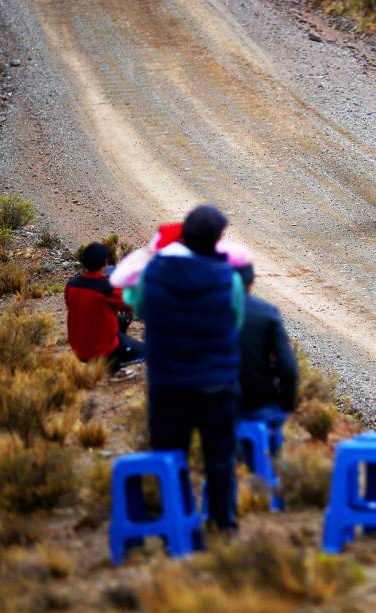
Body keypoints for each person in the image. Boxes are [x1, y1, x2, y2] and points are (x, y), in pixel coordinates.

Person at [125, 204, 245, 533]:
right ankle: (223, 524)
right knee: (219, 458)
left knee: (169, 456)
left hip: (169, 384)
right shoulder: (228, 279)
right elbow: (236, 321)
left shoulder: (155, 273)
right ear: (216, 239)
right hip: (216, 384)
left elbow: (135, 304)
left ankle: (175, 526)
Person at [233, 255, 299, 457]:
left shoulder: (204, 314)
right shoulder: (266, 313)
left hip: (217, 409)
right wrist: (286, 404)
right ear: (251, 282)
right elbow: (288, 370)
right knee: (269, 458)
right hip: (260, 406)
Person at [65, 242, 144, 372]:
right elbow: (131, 305)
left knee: (121, 320)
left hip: (79, 349)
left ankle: (108, 359)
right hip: (101, 351)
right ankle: (113, 366)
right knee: (147, 351)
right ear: (105, 263)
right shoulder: (107, 287)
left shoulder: (72, 284)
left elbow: (72, 305)